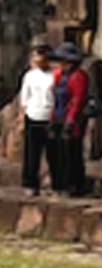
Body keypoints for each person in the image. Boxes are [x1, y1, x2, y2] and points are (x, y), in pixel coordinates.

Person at [48, 42, 89, 196]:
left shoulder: (79, 77)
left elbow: (78, 100)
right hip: (58, 116)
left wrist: (70, 121)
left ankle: (75, 185)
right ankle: (59, 184)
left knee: (72, 154)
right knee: (56, 153)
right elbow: (54, 98)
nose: (62, 65)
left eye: (65, 62)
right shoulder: (59, 75)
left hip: (72, 120)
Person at [18, 43, 55, 195]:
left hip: (50, 117)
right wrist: (21, 119)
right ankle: (30, 184)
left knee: (53, 153)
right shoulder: (29, 76)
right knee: (31, 154)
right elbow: (24, 99)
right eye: (35, 57)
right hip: (33, 116)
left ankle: (54, 182)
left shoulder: (54, 75)